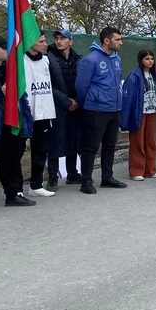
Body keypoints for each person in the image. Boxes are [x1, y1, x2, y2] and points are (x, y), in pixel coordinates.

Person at [75, 27, 127, 194]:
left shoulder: (117, 58)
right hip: (96, 110)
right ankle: (86, 181)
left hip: (114, 109)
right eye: (118, 39)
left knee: (110, 145)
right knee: (91, 146)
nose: (121, 43)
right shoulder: (90, 60)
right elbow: (81, 86)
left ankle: (107, 177)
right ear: (107, 41)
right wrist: (89, 103)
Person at [0, 35, 36, 209]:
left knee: (12, 161)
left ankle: (13, 194)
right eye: (3, 47)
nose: (9, 50)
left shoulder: (12, 70)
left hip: (12, 123)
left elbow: (22, 97)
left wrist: (27, 118)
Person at [23, 32, 63, 198]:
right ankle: (15, 189)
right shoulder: (20, 61)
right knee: (16, 153)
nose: (45, 44)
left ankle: (36, 185)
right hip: (25, 112)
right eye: (41, 41)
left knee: (40, 150)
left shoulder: (47, 60)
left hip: (44, 112)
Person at [45, 28, 82, 191]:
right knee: (55, 141)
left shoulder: (78, 59)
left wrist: (78, 100)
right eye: (57, 38)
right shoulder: (48, 59)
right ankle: (52, 176)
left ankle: (72, 173)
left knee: (73, 139)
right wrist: (67, 101)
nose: (59, 41)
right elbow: (49, 86)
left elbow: (83, 82)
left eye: (63, 38)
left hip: (76, 107)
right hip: (57, 106)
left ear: (70, 41)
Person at [121, 50, 156, 181]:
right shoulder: (134, 76)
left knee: (151, 142)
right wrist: (126, 118)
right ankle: (136, 170)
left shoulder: (155, 75)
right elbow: (128, 98)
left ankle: (150, 170)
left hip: (153, 112)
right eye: (147, 59)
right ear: (141, 60)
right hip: (139, 113)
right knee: (137, 142)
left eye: (152, 58)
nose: (150, 61)